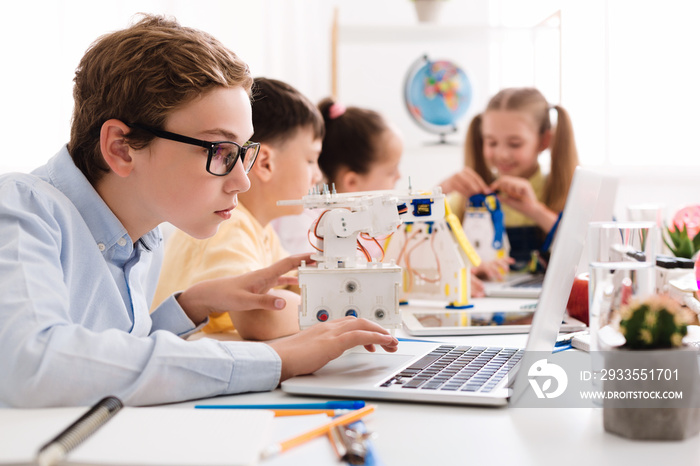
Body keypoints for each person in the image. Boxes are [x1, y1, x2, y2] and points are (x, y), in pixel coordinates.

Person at [0, 15, 397, 408]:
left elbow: (107, 358)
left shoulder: (139, 237)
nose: (243, 180)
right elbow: (34, 363)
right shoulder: (21, 211)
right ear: (121, 147)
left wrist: (189, 306)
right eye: (221, 152)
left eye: (243, 152)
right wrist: (277, 360)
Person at [152, 77, 324, 341]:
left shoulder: (261, 231)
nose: (318, 175)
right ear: (265, 164)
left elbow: (298, 286)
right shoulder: (227, 225)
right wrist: (334, 309)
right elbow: (259, 317)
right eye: (311, 160)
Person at [442, 87, 579, 270]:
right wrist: (440, 191)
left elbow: (588, 253)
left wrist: (537, 211)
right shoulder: (463, 200)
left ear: (544, 141)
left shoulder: (573, 195)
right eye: (491, 142)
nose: (502, 154)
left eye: (515, 144)